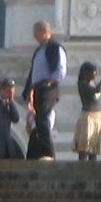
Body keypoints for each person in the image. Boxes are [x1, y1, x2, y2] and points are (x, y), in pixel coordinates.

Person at [21, 20, 67, 160]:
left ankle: (48, 152)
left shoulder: (54, 48)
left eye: (36, 33)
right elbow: (34, 73)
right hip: (38, 89)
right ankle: (36, 153)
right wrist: (29, 91)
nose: (34, 36)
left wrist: (48, 82)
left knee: (42, 119)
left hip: (47, 89)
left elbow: (60, 70)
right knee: (37, 120)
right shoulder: (39, 50)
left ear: (44, 32)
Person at [73, 61, 101, 161]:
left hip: (97, 117)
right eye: (93, 71)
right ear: (86, 72)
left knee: (94, 148)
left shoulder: (93, 84)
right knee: (85, 147)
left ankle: (93, 171)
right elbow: (96, 91)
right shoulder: (82, 84)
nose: (95, 73)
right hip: (87, 117)